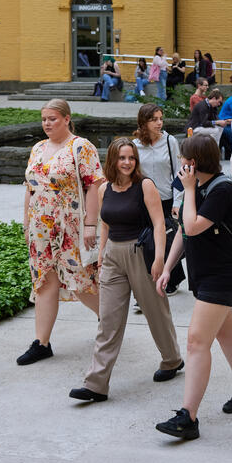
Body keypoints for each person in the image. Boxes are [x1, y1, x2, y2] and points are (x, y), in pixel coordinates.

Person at [154, 135, 232, 440]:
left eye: (186, 158)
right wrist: (168, 268)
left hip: (222, 276)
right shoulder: (197, 188)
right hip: (204, 275)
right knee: (228, 335)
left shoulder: (221, 188)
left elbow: (192, 225)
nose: (182, 163)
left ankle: (188, 417)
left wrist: (188, 191)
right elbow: (183, 235)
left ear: (196, 161)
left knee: (196, 342)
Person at [69, 138, 184, 402]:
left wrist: (159, 260)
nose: (127, 162)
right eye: (122, 158)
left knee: (156, 312)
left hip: (140, 253)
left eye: (131, 158)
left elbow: (158, 224)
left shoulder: (145, 186)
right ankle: (96, 384)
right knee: (108, 320)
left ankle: (172, 359)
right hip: (112, 257)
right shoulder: (104, 189)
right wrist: (100, 259)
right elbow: (105, 226)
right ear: (112, 160)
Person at [18, 99, 103, 365]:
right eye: (44, 119)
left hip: (71, 226)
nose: (47, 123)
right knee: (44, 280)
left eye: (52, 118)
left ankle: (110, 319)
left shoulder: (81, 147)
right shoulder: (38, 148)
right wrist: (26, 223)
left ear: (67, 119)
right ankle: (41, 342)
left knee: (80, 281)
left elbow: (94, 186)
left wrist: (91, 224)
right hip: (40, 229)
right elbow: (30, 189)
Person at [133, 104, 182, 218]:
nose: (159, 123)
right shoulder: (135, 145)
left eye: (161, 119)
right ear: (144, 122)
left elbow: (179, 174)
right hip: (142, 201)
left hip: (166, 200)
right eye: (154, 120)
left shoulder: (171, 141)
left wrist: (177, 202)